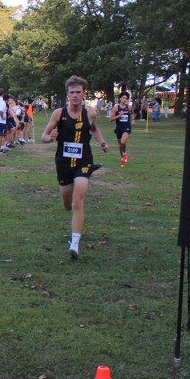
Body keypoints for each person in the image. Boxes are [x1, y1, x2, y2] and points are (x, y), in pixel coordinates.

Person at [41, 76, 110, 260]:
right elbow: (43, 136)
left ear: (84, 93)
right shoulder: (59, 113)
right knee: (68, 205)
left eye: (78, 92)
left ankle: (75, 243)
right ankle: (74, 227)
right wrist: (51, 137)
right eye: (72, 92)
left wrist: (102, 141)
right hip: (63, 163)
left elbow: (93, 129)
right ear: (67, 94)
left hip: (84, 161)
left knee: (78, 201)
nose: (75, 95)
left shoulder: (91, 113)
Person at [109, 92, 133, 167]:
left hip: (127, 127)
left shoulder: (129, 107)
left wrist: (133, 120)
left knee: (123, 142)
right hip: (119, 128)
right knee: (120, 145)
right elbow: (111, 119)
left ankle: (124, 154)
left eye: (126, 98)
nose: (125, 100)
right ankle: (123, 159)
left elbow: (133, 113)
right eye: (123, 98)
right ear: (120, 98)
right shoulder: (116, 108)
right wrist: (119, 115)